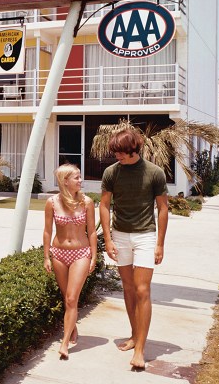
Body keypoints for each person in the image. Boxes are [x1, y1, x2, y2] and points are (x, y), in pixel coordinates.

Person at [99, 125, 169, 371]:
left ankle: (140, 349)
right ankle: (134, 335)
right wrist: (107, 239)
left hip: (145, 238)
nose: (116, 156)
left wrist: (160, 243)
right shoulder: (111, 172)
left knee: (142, 290)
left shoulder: (154, 172)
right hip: (119, 236)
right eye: (115, 152)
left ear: (132, 149)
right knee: (128, 289)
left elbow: (162, 208)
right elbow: (105, 205)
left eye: (119, 152)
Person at [43, 164, 97, 360]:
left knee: (72, 298)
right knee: (67, 298)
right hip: (58, 254)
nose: (80, 181)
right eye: (77, 178)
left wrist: (94, 255)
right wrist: (47, 256)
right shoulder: (51, 202)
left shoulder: (87, 202)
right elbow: (48, 230)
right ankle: (72, 328)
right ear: (65, 181)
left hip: (80, 253)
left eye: (80, 177)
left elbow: (91, 231)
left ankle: (64, 343)